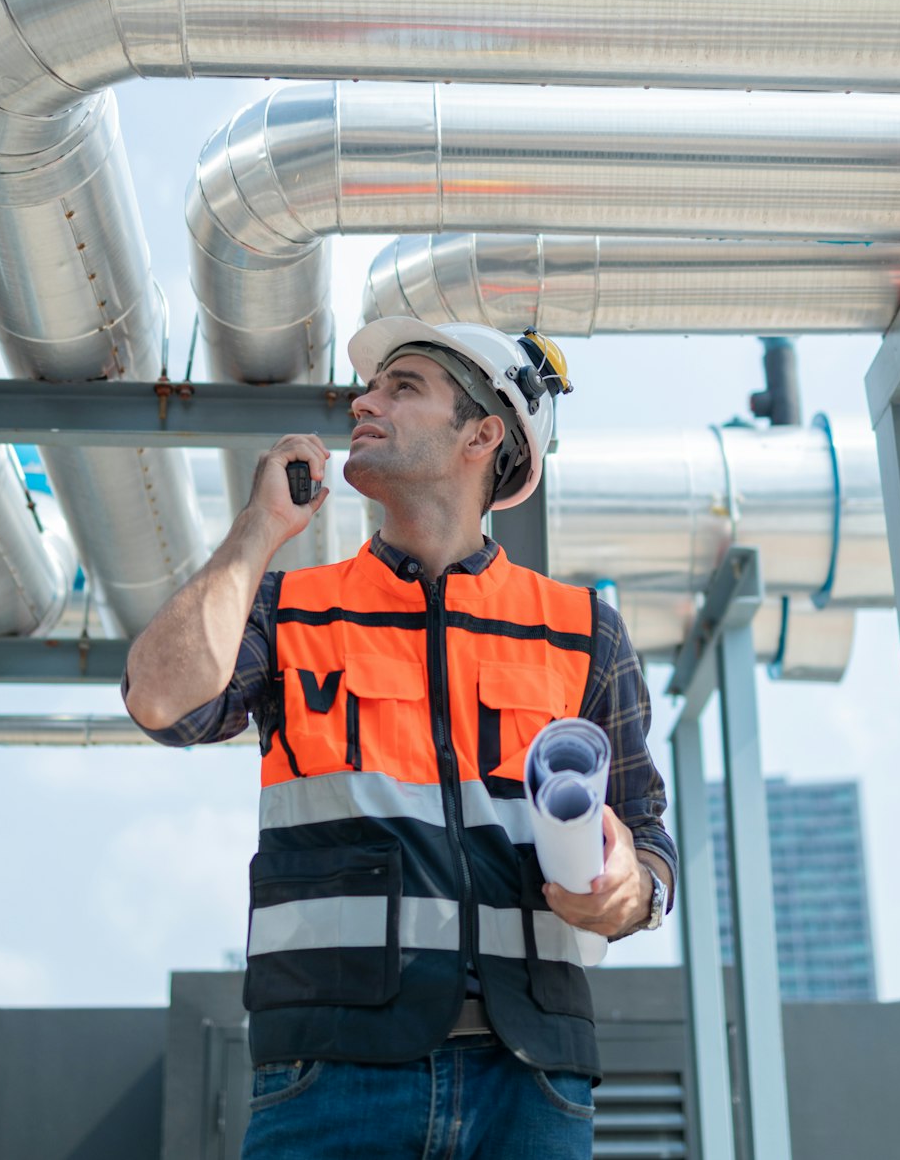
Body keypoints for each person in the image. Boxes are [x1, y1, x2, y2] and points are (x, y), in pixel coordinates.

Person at [124, 319, 676, 1160]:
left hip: (528, 1084)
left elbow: (651, 843)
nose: (363, 401)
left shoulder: (582, 631)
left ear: (482, 434)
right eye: (372, 387)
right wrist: (257, 531)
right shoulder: (291, 607)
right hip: (330, 1073)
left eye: (402, 386)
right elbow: (159, 697)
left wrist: (625, 889)